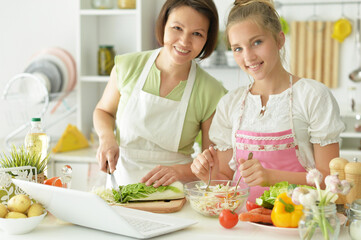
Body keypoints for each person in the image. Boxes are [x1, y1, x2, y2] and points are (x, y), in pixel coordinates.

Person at [191, 0, 345, 202]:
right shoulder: (230, 103)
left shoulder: (313, 96)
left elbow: (331, 180)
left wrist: (272, 177)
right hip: (243, 220)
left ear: (279, 40)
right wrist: (208, 176)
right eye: (237, 48)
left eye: (256, 42)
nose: (248, 57)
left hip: (296, 219)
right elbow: (226, 181)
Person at [93, 0, 227, 188]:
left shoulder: (211, 92)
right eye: (177, 28)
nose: (184, 41)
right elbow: (103, 111)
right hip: (120, 188)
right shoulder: (128, 66)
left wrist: (178, 171)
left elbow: (212, 165)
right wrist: (106, 138)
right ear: (163, 25)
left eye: (197, 33)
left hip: (175, 193)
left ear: (207, 39)